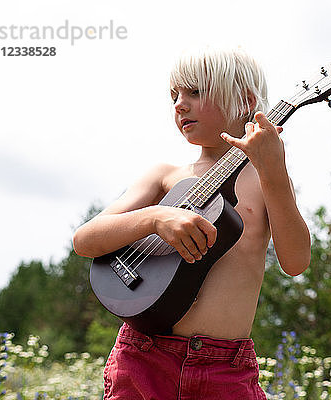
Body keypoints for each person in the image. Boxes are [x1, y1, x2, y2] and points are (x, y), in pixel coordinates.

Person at [72, 47, 311, 399]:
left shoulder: (266, 181)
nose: (179, 105)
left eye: (195, 92)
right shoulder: (165, 176)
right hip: (144, 356)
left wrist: (274, 169)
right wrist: (155, 217)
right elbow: (85, 239)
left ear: (245, 100)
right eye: (175, 96)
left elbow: (295, 262)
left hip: (226, 370)